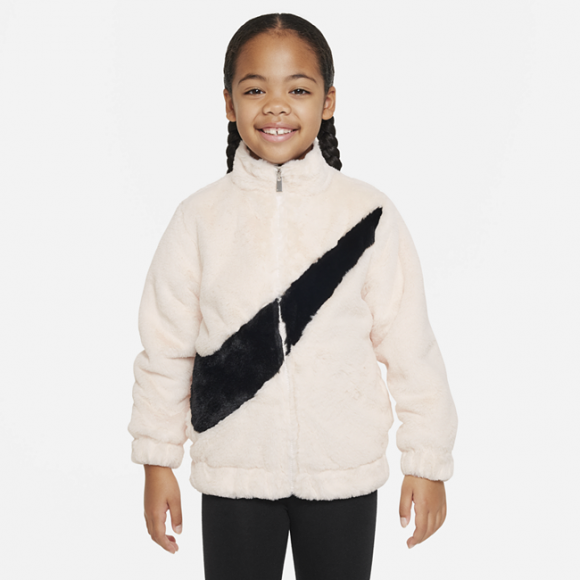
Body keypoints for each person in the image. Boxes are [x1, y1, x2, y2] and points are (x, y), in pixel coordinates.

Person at [127, 12, 458, 580]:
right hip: (235, 474)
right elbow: (165, 349)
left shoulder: (368, 214)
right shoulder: (200, 218)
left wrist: (427, 460)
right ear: (229, 103)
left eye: (298, 90)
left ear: (328, 102)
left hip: (343, 473)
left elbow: (410, 345)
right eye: (255, 90)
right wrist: (157, 461)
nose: (276, 106)